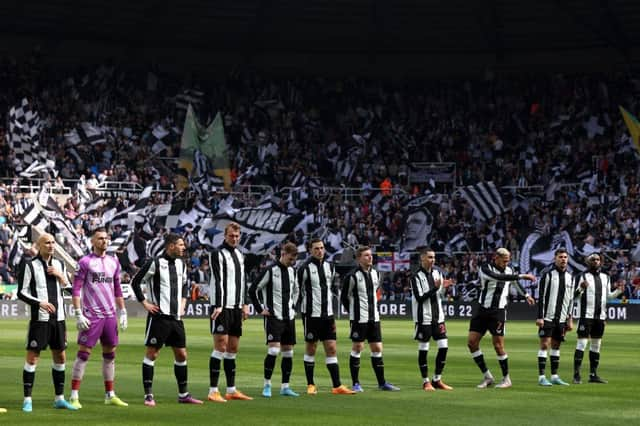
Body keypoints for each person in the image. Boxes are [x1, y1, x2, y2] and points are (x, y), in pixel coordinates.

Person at [131, 233, 203, 406]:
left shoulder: (181, 264)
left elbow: (186, 285)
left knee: (181, 354)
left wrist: (184, 303)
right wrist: (145, 304)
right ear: (171, 246)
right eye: (180, 245)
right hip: (159, 317)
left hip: (176, 318)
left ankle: (183, 394)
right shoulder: (154, 263)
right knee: (152, 354)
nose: (183, 248)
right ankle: (148, 395)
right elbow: (135, 282)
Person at [68, 228, 128, 408]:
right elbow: (76, 289)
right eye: (100, 238)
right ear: (92, 241)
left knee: (110, 354)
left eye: (106, 238)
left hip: (110, 316)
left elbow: (117, 288)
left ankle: (110, 394)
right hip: (92, 315)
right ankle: (73, 396)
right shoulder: (85, 262)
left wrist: (122, 311)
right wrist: (78, 313)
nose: (104, 241)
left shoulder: (113, 262)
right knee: (83, 354)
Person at [17, 233, 77, 412]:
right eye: (47, 243)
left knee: (60, 356)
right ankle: (27, 399)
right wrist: (39, 303)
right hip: (40, 320)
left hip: (59, 319)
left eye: (53, 242)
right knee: (33, 356)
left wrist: (61, 276)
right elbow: (21, 292)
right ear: (39, 245)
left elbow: (69, 289)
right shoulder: (30, 265)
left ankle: (59, 399)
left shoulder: (59, 264)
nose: (51, 245)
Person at [467, 247, 536, 389]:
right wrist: (522, 276)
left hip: (498, 312)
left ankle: (506, 379)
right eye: (504, 261)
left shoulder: (509, 270)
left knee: (498, 346)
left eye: (508, 261)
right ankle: (487, 376)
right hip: (482, 310)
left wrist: (526, 295)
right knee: (472, 343)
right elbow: (498, 277)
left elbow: (514, 282)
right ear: (496, 258)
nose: (506, 264)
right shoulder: (485, 268)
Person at [341, 246, 400, 392]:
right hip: (359, 319)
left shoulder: (376, 274)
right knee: (358, 347)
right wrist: (353, 312)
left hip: (374, 318)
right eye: (366, 255)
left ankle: (382, 383)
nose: (370, 257)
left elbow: (376, 292)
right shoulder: (352, 276)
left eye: (370, 255)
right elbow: (344, 297)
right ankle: (355, 383)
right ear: (359, 258)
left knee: (377, 348)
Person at [207, 222, 252, 402]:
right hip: (221, 307)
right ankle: (213, 390)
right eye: (231, 235)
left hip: (236, 306)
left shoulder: (240, 255)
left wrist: (245, 303)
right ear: (225, 235)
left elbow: (243, 279)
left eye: (237, 236)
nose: (234, 238)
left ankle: (231, 389)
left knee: (233, 348)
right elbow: (217, 279)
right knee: (221, 345)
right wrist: (218, 304)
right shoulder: (217, 254)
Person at [249, 242, 300, 398]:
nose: (292, 262)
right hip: (273, 317)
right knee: (273, 350)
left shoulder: (293, 271)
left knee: (288, 353)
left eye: (294, 260)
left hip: (289, 317)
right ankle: (267, 385)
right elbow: (253, 289)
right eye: (291, 259)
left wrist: (293, 307)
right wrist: (260, 309)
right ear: (283, 254)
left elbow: (296, 291)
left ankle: (285, 387)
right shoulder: (270, 271)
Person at [572, 252, 624, 384]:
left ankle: (593, 375)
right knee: (582, 343)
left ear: (600, 262)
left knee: (596, 345)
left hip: (600, 317)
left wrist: (618, 291)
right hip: (586, 316)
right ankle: (576, 375)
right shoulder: (581, 276)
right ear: (587, 262)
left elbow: (608, 296)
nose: (595, 261)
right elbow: (574, 296)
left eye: (597, 259)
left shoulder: (606, 277)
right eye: (593, 259)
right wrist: (581, 289)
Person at [411, 249, 454, 391]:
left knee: (444, 347)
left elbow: (439, 293)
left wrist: (443, 287)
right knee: (424, 349)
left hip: (438, 317)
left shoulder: (437, 273)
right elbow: (420, 298)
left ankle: (437, 379)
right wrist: (435, 288)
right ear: (422, 259)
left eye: (434, 257)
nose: (433, 260)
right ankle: (425, 381)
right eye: (430, 257)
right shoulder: (416, 276)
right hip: (424, 318)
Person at [535, 248, 574, 386]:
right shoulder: (547, 274)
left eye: (565, 257)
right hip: (548, 317)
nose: (563, 259)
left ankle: (555, 376)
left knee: (556, 346)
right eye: (560, 257)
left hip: (562, 318)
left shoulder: (570, 277)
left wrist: (570, 318)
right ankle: (541, 377)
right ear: (555, 258)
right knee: (545, 344)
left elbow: (570, 300)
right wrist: (540, 317)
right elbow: (541, 297)